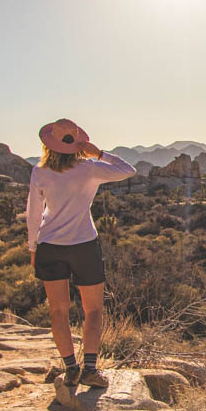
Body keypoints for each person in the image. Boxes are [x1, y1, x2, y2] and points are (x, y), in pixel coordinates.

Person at [27, 118, 136, 387]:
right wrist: (99, 153)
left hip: (49, 246)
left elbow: (33, 213)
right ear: (78, 143)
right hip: (84, 245)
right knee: (94, 309)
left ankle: (70, 368)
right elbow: (128, 169)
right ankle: (89, 369)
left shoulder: (39, 171)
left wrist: (32, 247)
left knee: (57, 311)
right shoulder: (90, 169)